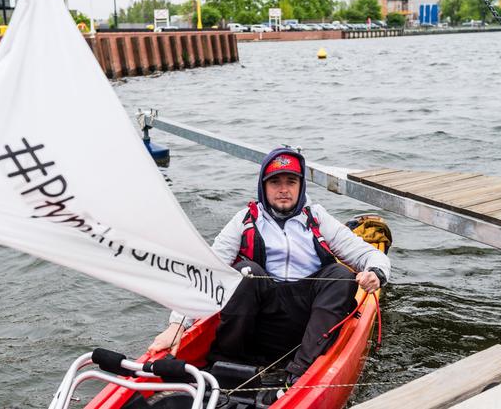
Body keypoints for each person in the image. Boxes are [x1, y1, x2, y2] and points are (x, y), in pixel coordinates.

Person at [148, 147, 390, 381]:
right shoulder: (244, 220)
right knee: (245, 272)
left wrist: (376, 273)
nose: (283, 189)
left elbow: (369, 255)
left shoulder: (317, 218)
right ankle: (226, 363)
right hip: (261, 317)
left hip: (308, 321)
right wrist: (177, 324)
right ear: (263, 186)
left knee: (341, 275)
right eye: (275, 182)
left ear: (300, 186)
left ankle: (300, 372)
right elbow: (206, 272)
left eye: (291, 182)